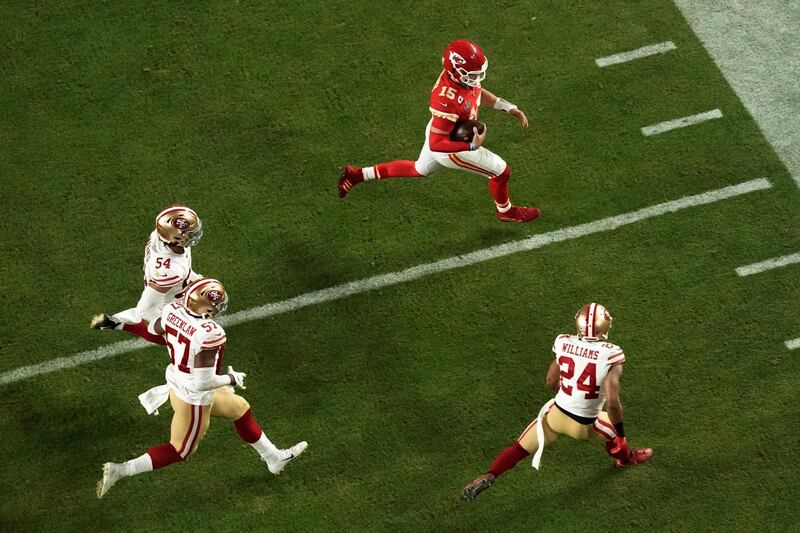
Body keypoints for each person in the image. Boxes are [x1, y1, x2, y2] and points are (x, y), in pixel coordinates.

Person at [96, 278, 307, 498]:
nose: (217, 310)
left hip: (178, 378)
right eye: (215, 306)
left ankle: (274, 458)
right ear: (204, 306)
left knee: (239, 408)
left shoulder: (172, 309)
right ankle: (121, 470)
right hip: (193, 396)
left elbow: (154, 329)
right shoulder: (210, 333)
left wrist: (124, 324)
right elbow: (203, 382)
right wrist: (230, 379)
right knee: (180, 450)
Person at [461, 303, 653, 501]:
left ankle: (490, 474)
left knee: (518, 449)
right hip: (583, 424)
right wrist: (621, 434)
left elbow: (551, 381)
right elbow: (612, 402)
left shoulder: (563, 341)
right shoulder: (611, 353)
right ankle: (627, 460)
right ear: (604, 326)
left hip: (554, 414)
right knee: (614, 433)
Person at [338, 39, 540, 223]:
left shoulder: (460, 79)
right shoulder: (446, 100)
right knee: (501, 171)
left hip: (441, 127)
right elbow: (437, 143)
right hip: (450, 147)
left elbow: (476, 92)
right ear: (457, 72)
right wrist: (471, 145)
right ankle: (505, 211)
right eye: (473, 74)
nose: (478, 77)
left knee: (419, 169)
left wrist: (507, 107)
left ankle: (357, 174)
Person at [90, 205, 204, 344]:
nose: (194, 235)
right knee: (184, 339)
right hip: (168, 301)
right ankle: (120, 323)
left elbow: (182, 268)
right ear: (174, 238)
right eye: (189, 234)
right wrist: (172, 322)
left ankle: (116, 321)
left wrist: (195, 279)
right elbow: (146, 310)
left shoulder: (161, 236)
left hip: (173, 283)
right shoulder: (172, 269)